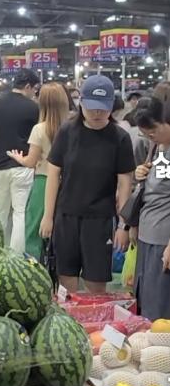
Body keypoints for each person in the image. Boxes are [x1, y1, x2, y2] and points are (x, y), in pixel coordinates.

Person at [40, 75, 135, 293]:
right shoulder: (67, 132)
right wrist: (48, 216)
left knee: (96, 281)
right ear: (81, 102)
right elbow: (53, 175)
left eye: (103, 108)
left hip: (100, 220)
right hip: (66, 216)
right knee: (66, 279)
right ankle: (67, 315)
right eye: (92, 108)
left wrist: (123, 225)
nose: (97, 113)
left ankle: (94, 316)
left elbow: (124, 185)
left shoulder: (120, 138)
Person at [0, 71, 40, 252]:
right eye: (34, 89)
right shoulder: (33, 108)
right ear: (27, 86)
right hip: (23, 165)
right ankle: (16, 257)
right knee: (20, 213)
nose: (34, 93)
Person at [7, 83, 69, 260]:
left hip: (43, 183)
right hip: (68, 184)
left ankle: (33, 268)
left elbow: (31, 162)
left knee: (34, 230)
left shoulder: (39, 129)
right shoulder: (71, 128)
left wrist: (18, 158)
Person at [130, 97, 170, 320]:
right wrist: (142, 174)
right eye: (146, 134)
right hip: (147, 233)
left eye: (153, 131)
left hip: (163, 238)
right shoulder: (157, 147)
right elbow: (158, 188)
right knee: (145, 301)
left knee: (159, 308)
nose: (151, 136)